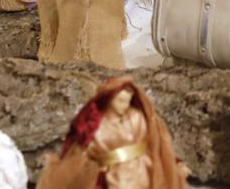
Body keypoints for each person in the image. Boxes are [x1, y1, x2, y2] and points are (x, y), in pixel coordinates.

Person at [38, 76, 188, 189]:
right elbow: (87, 151)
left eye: (127, 101)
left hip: (140, 172)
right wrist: (97, 163)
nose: (125, 105)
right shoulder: (98, 124)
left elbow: (154, 143)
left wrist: (174, 163)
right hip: (108, 175)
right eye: (121, 101)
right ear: (110, 99)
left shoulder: (137, 117)